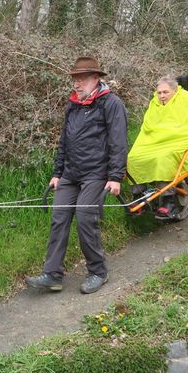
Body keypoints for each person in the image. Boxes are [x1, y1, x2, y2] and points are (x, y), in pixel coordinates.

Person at [25, 57, 127, 294]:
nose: (76, 84)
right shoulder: (72, 105)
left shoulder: (110, 103)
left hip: (96, 173)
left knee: (84, 218)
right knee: (58, 218)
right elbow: (64, 141)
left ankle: (98, 271)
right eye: (74, 79)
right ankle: (52, 274)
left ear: (95, 78)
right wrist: (57, 172)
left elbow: (119, 141)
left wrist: (115, 176)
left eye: (81, 79)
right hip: (71, 173)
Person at [127, 77, 188, 219]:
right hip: (155, 142)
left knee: (165, 158)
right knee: (133, 158)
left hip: (179, 141)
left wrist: (179, 133)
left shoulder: (186, 99)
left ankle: (168, 201)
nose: (162, 96)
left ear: (174, 91)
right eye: (159, 93)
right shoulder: (155, 104)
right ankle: (139, 195)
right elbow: (148, 126)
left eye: (166, 92)